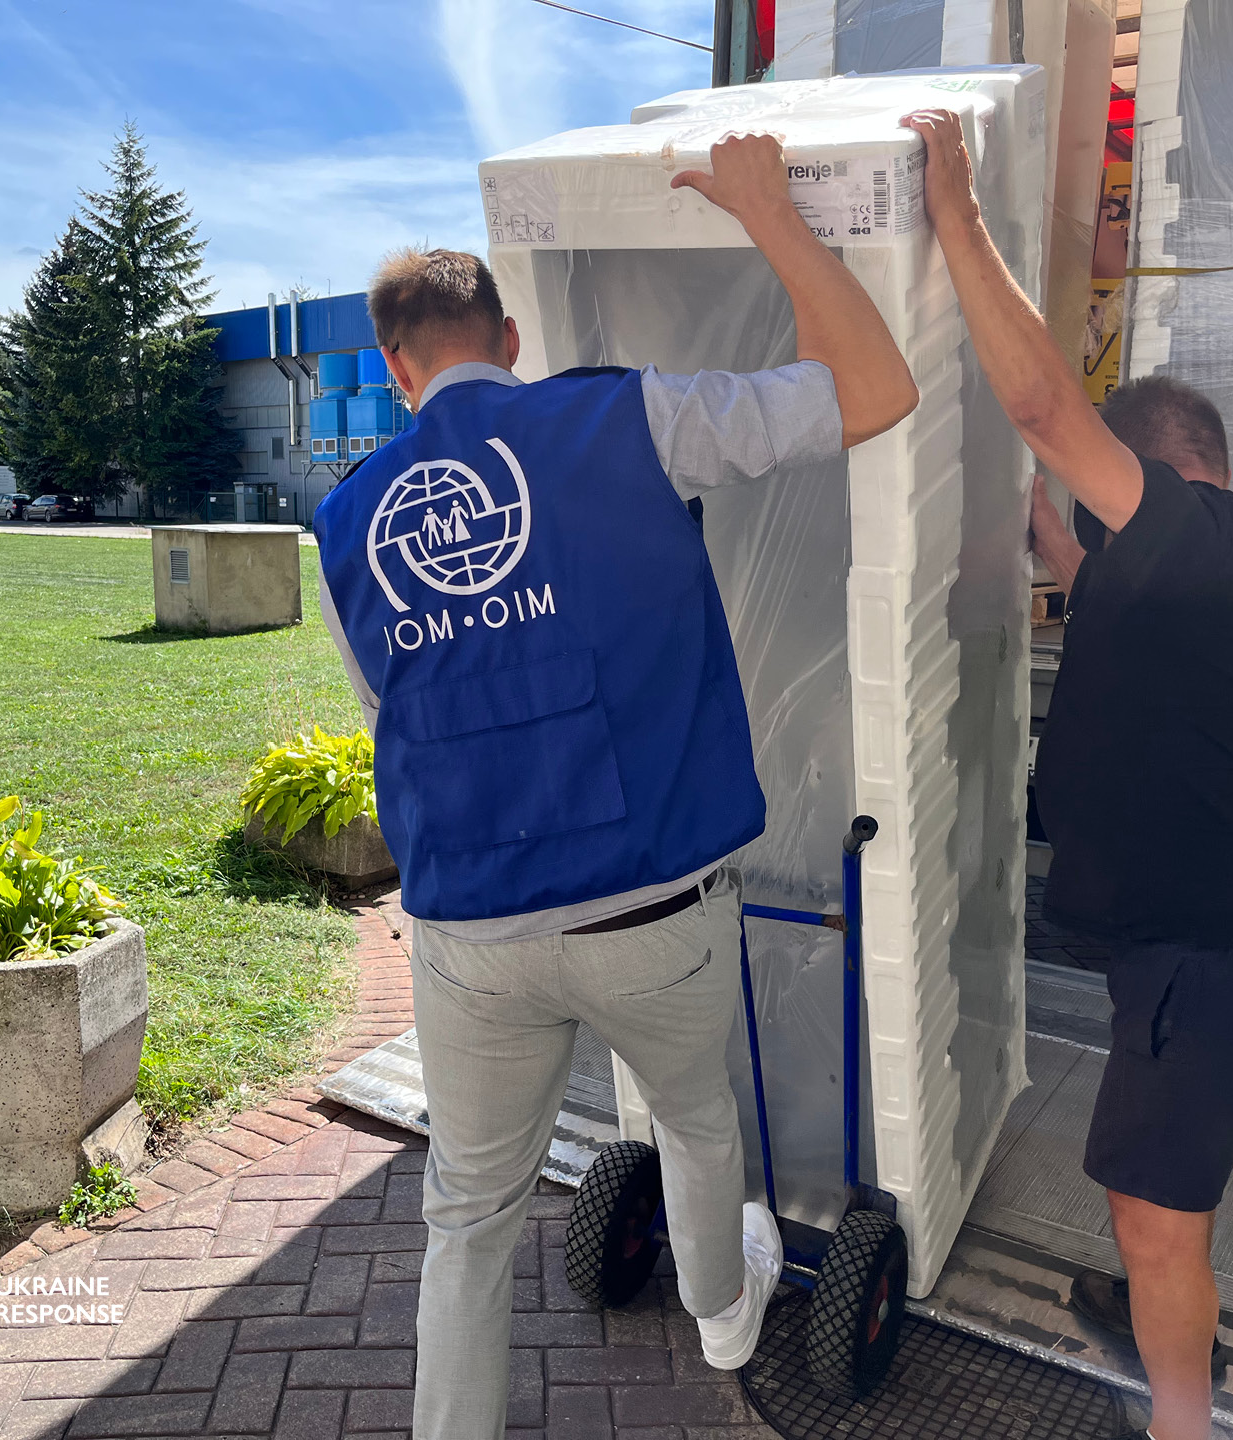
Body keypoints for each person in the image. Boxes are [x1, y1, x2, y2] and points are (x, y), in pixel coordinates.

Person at [312, 134, 919, 1440]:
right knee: (700, 1126)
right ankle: (724, 1320)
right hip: (655, 905)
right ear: (512, 338)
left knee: (467, 1219)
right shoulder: (627, 416)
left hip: (468, 928)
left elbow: (394, 720)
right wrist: (770, 211)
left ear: (395, 367)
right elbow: (874, 390)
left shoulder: (350, 520)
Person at [902, 110, 1233, 1440]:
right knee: (1156, 1199)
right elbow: (1089, 572)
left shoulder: (1188, 533)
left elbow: (1042, 403)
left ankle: (1181, 1423)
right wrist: (1041, 514)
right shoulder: (1211, 568)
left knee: (1156, 1219)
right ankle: (1162, 1315)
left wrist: (957, 215)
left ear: (1149, 476)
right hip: (1222, 944)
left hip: (1212, 955)